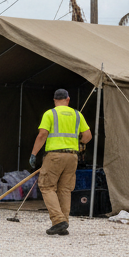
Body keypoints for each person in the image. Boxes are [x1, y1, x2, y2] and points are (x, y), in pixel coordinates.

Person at [27, 88, 93, 236]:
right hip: (72, 156)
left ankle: (58, 220)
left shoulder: (50, 114)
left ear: (54, 100)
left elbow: (42, 135)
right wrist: (78, 143)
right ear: (68, 99)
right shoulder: (77, 114)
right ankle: (64, 223)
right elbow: (87, 136)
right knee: (65, 189)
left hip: (55, 156)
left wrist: (33, 154)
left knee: (47, 186)